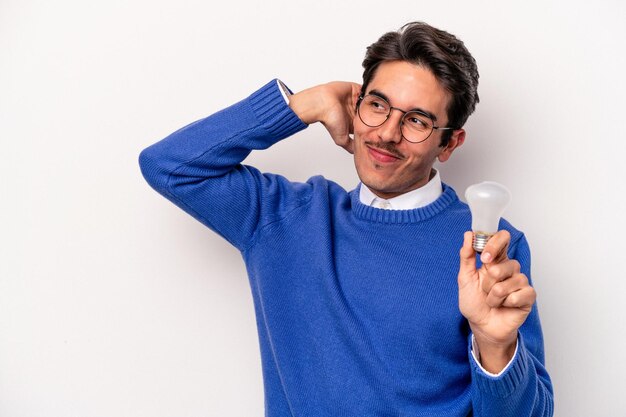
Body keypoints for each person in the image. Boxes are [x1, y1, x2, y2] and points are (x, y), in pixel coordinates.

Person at [139, 21, 553, 416]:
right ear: (355, 106)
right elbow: (170, 166)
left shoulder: (493, 247)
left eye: (416, 121)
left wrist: (496, 347)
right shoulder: (283, 218)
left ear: (449, 143)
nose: (387, 133)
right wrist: (298, 107)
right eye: (377, 105)